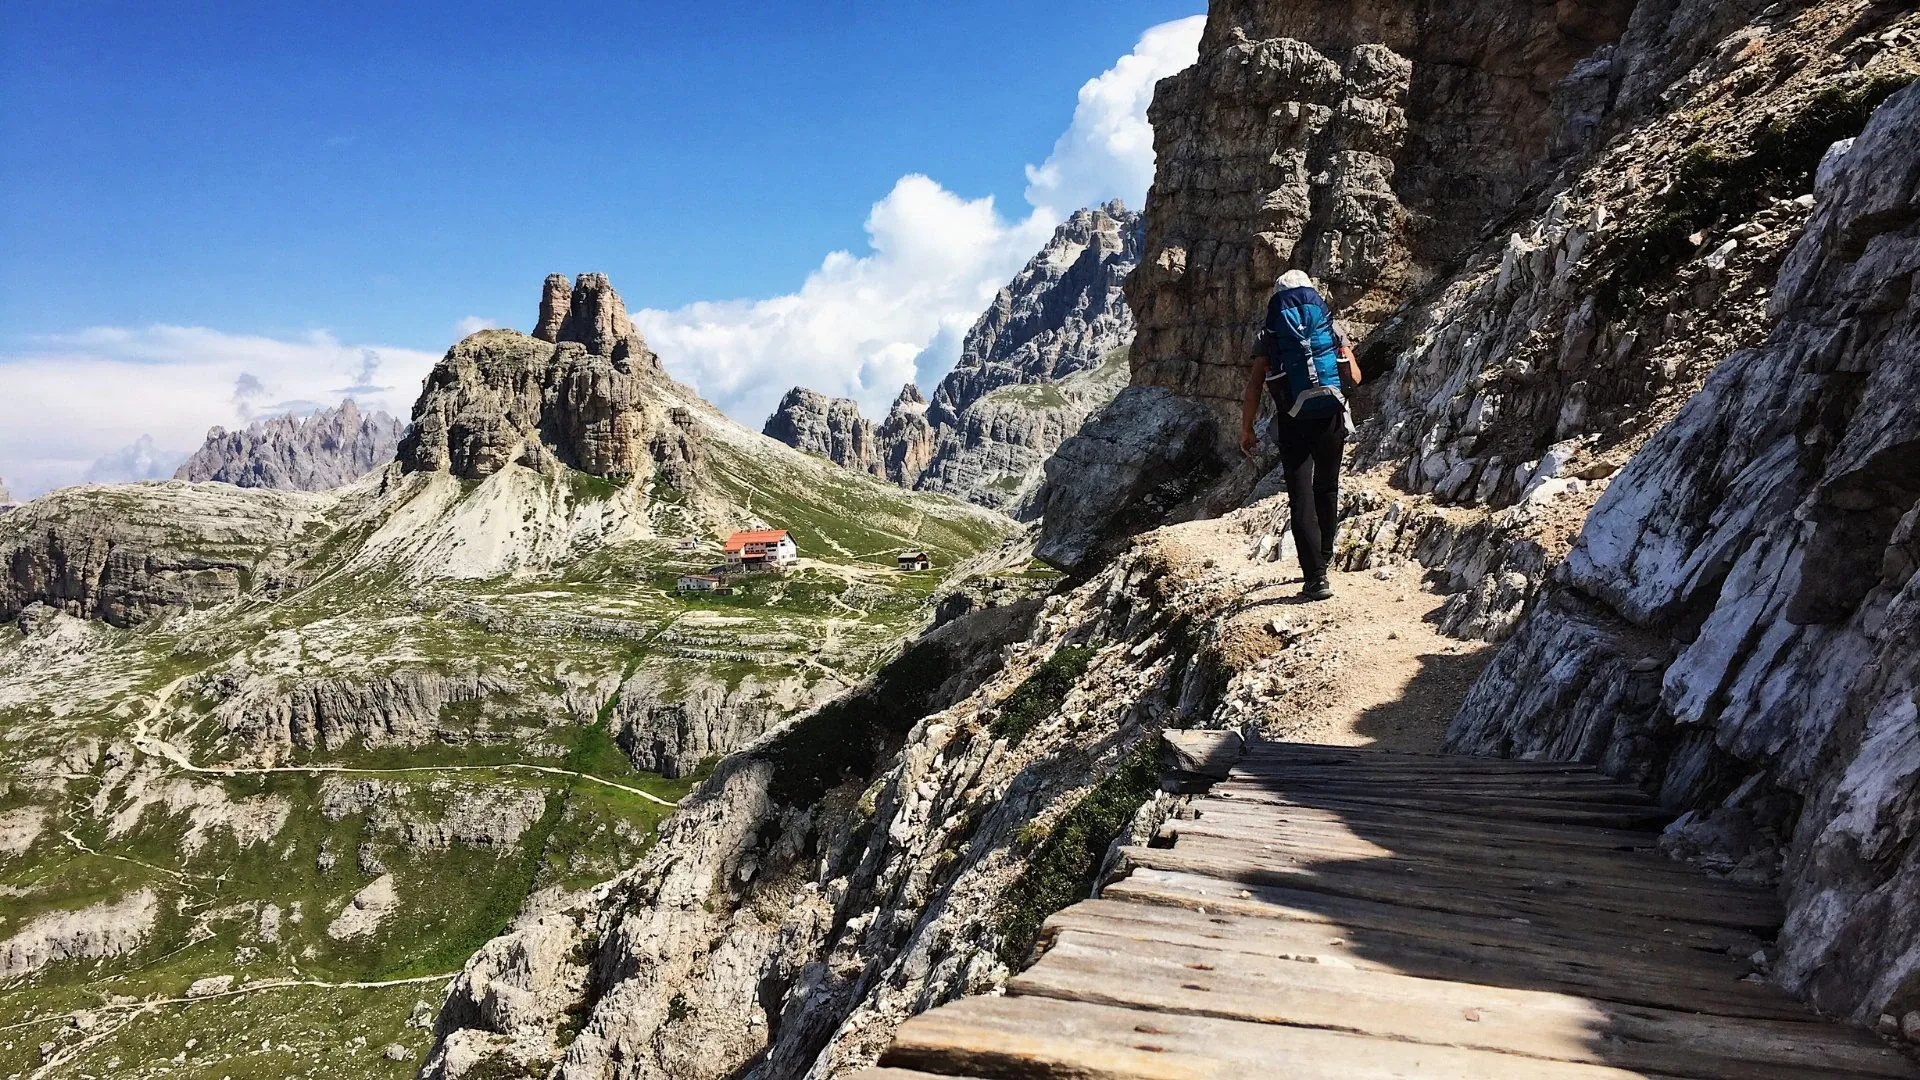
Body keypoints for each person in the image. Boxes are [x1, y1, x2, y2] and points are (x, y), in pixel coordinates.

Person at [1239, 269, 1363, 601]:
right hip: (1331, 417)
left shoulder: (1270, 331)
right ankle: (1324, 555)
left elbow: (1254, 386)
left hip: (1292, 419)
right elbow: (1355, 375)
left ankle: (1315, 578)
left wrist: (1247, 428)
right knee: (1327, 485)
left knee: (1300, 493)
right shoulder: (1329, 323)